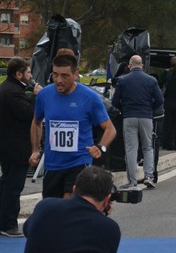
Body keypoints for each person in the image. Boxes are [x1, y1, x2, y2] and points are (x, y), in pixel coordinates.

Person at [30, 54, 116, 199]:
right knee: (52, 210)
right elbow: (36, 122)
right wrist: (35, 150)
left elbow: (110, 129)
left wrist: (101, 147)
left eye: (65, 76)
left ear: (76, 74)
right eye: (55, 75)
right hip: (53, 165)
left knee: (69, 205)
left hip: (79, 162)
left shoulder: (90, 97)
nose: (58, 80)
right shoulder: (44, 95)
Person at [23, 165, 121, 253]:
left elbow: (28, 230)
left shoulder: (45, 206)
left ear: (74, 189)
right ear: (107, 199)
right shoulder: (110, 228)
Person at [0, 58, 42, 237]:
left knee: (6, 184)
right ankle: (8, 224)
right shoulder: (13, 92)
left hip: (7, 146)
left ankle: (4, 221)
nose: (31, 75)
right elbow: (27, 114)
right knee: (13, 186)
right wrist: (36, 96)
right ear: (18, 74)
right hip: (16, 147)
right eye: (28, 72)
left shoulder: (7, 88)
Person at [111, 55, 163, 189]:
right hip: (146, 117)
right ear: (142, 65)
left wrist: (124, 108)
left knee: (131, 149)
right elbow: (160, 100)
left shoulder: (122, 80)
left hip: (129, 117)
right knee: (147, 147)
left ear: (129, 65)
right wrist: (149, 108)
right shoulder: (151, 80)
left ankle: (132, 180)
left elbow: (115, 102)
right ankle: (149, 176)